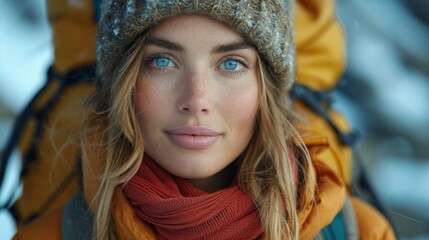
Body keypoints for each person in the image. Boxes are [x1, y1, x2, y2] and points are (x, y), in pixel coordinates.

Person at [13, 0, 396, 239]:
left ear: (267, 90)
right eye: (162, 61)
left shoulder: (359, 233)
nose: (196, 100)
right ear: (124, 83)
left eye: (231, 63)